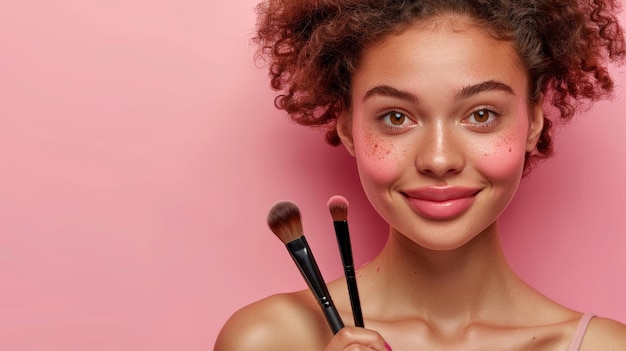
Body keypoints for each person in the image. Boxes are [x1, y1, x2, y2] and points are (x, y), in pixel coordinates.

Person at [215, 0, 626, 350]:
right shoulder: (272, 339)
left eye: (481, 115)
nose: (439, 158)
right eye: (396, 117)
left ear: (532, 122)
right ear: (348, 128)